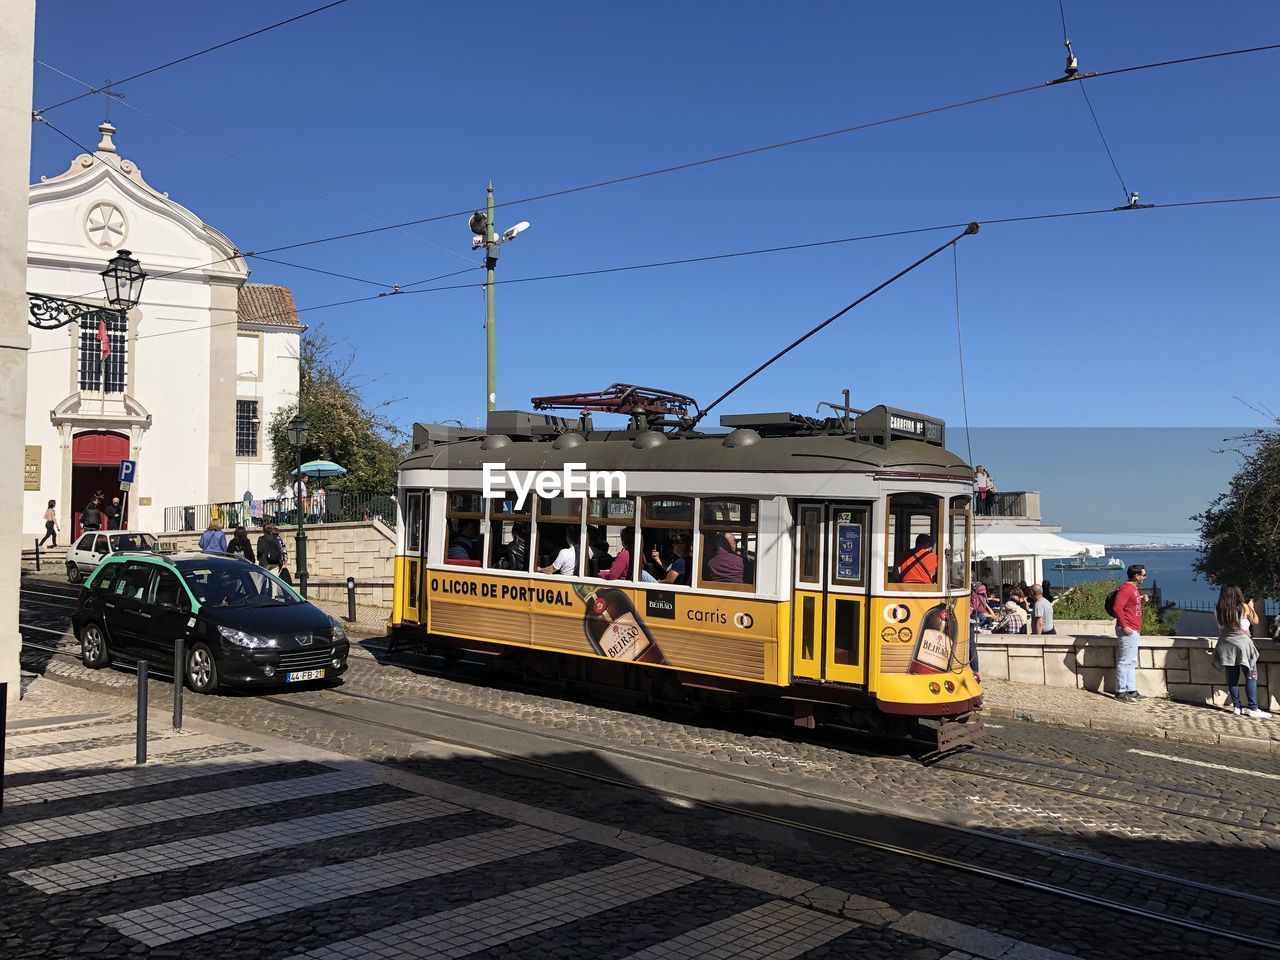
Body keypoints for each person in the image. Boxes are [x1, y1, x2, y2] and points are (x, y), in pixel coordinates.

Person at [1213, 586, 1271, 719]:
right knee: (1250, 676)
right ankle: (1253, 708)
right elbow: (1256, 621)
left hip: (1226, 644)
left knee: (1232, 677)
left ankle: (1236, 707)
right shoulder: (1244, 607)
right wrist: (1251, 608)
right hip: (1243, 644)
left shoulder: (1217, 609)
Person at [1113, 564, 1146, 703]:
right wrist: (1124, 625)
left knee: (1131, 661)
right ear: (1136, 576)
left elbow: (1130, 608)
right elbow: (1117, 608)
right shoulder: (1126, 588)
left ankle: (1131, 690)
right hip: (1127, 630)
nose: (1145, 577)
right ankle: (1120, 692)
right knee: (1125, 661)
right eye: (1143, 575)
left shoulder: (1134, 589)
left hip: (1134, 629)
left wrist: (1142, 600)